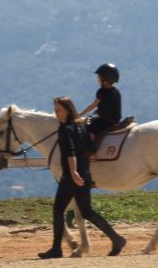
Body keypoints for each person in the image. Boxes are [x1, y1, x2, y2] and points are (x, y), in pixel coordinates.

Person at [39, 96, 126, 259]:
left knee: (58, 210)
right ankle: (116, 238)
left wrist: (73, 172)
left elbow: (70, 151)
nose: (56, 113)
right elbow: (92, 149)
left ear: (67, 110)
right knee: (87, 212)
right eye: (55, 110)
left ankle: (56, 249)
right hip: (85, 174)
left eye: (59, 110)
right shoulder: (81, 126)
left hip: (72, 177)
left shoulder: (65, 129)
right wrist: (81, 168)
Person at [80, 63, 122, 144]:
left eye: (99, 77)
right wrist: (99, 111)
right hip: (116, 120)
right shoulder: (116, 91)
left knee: (88, 128)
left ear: (104, 79)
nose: (97, 79)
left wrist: (80, 114)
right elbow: (111, 106)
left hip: (106, 120)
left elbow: (93, 105)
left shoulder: (102, 92)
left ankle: (91, 150)